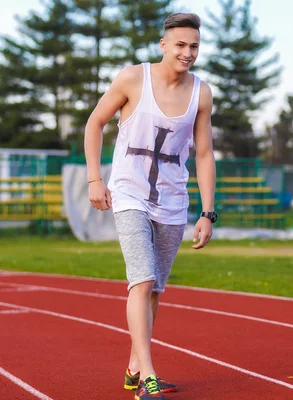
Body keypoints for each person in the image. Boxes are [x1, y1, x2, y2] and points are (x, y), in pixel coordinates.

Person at [84, 12, 217, 399]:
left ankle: (133, 365)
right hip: (128, 193)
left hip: (172, 202)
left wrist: (208, 213)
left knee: (155, 288)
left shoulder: (201, 93)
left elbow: (205, 153)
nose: (187, 52)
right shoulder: (132, 78)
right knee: (140, 280)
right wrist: (95, 178)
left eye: (194, 46)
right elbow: (95, 123)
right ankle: (149, 376)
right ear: (163, 45)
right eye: (180, 44)